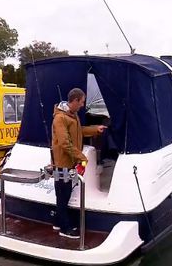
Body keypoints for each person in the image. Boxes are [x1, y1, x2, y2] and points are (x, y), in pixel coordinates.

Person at [51, 88, 106, 239]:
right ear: (74, 101)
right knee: (63, 194)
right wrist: (81, 157)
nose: (82, 105)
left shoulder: (73, 116)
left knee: (64, 193)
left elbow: (78, 131)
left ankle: (58, 221)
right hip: (62, 164)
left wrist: (95, 129)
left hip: (70, 163)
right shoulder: (60, 118)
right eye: (81, 102)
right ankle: (65, 228)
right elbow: (64, 142)